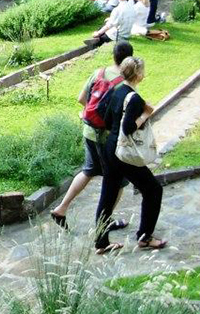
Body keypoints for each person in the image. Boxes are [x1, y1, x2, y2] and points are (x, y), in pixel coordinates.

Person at [50, 42, 134, 230]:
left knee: (88, 170)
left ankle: (61, 209)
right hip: (108, 139)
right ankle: (105, 221)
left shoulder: (99, 73)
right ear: (129, 59)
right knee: (118, 180)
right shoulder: (124, 84)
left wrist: (95, 115)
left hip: (89, 131)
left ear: (113, 56)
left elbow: (81, 99)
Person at [94, 57, 166, 254]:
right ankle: (145, 237)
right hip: (124, 154)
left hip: (111, 149)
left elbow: (106, 119)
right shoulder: (134, 98)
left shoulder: (116, 90)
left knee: (108, 195)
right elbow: (127, 128)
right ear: (139, 75)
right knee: (153, 190)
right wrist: (146, 114)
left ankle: (101, 243)